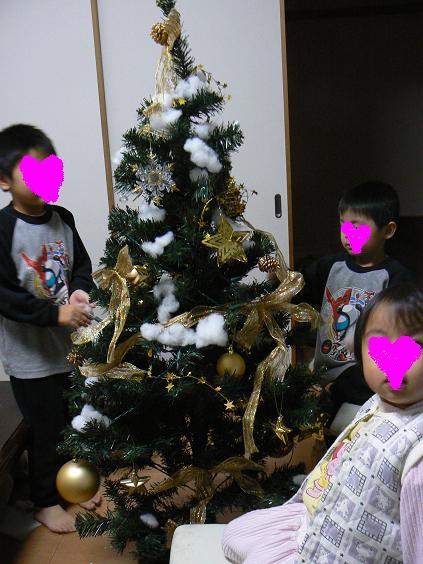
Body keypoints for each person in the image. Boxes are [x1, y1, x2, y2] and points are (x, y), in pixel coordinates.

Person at [223, 283, 423, 563]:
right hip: (322, 515)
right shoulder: (378, 401)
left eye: (416, 346)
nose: (394, 363)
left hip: (353, 553)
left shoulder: (418, 455)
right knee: (236, 533)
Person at [0, 124, 99, 533]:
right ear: (4, 180)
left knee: (75, 419)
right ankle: (44, 500)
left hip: (68, 351)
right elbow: (5, 296)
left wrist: (78, 291)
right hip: (30, 358)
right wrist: (54, 315)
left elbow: (81, 267)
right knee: (45, 430)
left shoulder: (64, 219)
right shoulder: (4, 229)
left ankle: (74, 484)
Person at [298, 181, 414, 416]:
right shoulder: (331, 266)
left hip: (363, 372)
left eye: (357, 227)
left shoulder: (395, 277)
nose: (347, 234)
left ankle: (334, 395)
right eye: (343, 225)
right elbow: (300, 284)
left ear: (388, 231)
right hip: (323, 366)